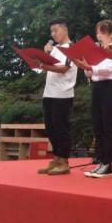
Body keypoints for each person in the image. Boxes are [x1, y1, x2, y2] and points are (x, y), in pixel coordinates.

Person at [71, 20, 112, 178]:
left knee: (108, 126)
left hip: (111, 88)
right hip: (98, 88)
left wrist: (89, 67)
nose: (99, 36)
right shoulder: (98, 50)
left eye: (102, 32)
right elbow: (91, 73)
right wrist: (84, 65)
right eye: (97, 33)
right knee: (98, 126)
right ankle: (100, 160)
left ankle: (108, 164)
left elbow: (107, 69)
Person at [32, 18, 78, 176]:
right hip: (49, 92)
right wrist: (45, 56)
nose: (53, 34)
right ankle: (56, 158)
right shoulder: (55, 49)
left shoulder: (71, 48)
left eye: (56, 30)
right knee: (50, 128)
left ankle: (64, 161)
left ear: (65, 29)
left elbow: (64, 68)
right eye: (51, 31)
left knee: (61, 127)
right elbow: (48, 66)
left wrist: (43, 65)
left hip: (63, 94)